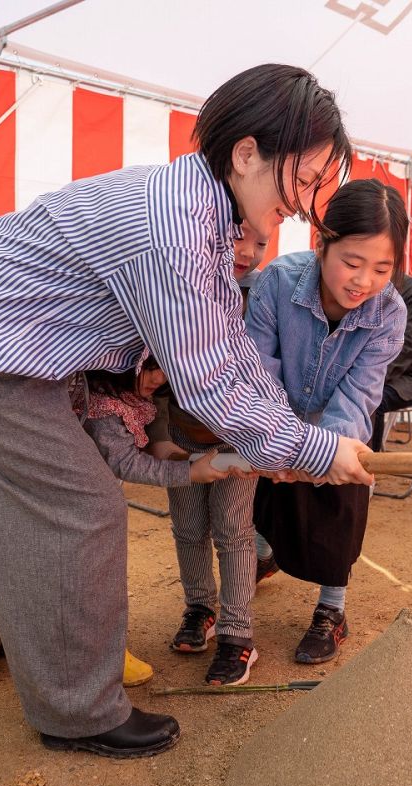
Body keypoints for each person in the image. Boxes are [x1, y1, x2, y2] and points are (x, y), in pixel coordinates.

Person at [0, 64, 373, 759]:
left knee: (17, 506)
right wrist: (313, 450)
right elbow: (210, 383)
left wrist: (300, 443)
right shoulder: (175, 225)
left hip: (4, 347)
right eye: (303, 180)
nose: (305, 205)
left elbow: (233, 353)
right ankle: (76, 711)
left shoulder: (203, 217)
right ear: (246, 155)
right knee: (80, 509)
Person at [249, 179, 407, 664]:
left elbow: (359, 393)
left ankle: (331, 610)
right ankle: (263, 553)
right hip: (275, 414)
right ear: (321, 244)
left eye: (382, 268)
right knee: (262, 493)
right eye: (352, 263)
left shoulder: (389, 312)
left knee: (342, 501)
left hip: (343, 426)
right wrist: (285, 442)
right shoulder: (276, 281)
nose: (364, 281)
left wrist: (327, 452)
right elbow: (259, 369)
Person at [157, 233, 272, 687]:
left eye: (260, 243)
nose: (247, 252)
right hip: (184, 433)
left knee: (234, 529)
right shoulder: (179, 285)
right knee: (186, 527)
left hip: (238, 438)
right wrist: (163, 437)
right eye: (236, 240)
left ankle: (237, 632)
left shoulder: (262, 296)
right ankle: (200, 607)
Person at [370, 272, 412, 452]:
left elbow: (407, 347)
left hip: (409, 379)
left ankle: (366, 471)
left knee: (371, 398)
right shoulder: (362, 285)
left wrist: (370, 379)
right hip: (369, 372)